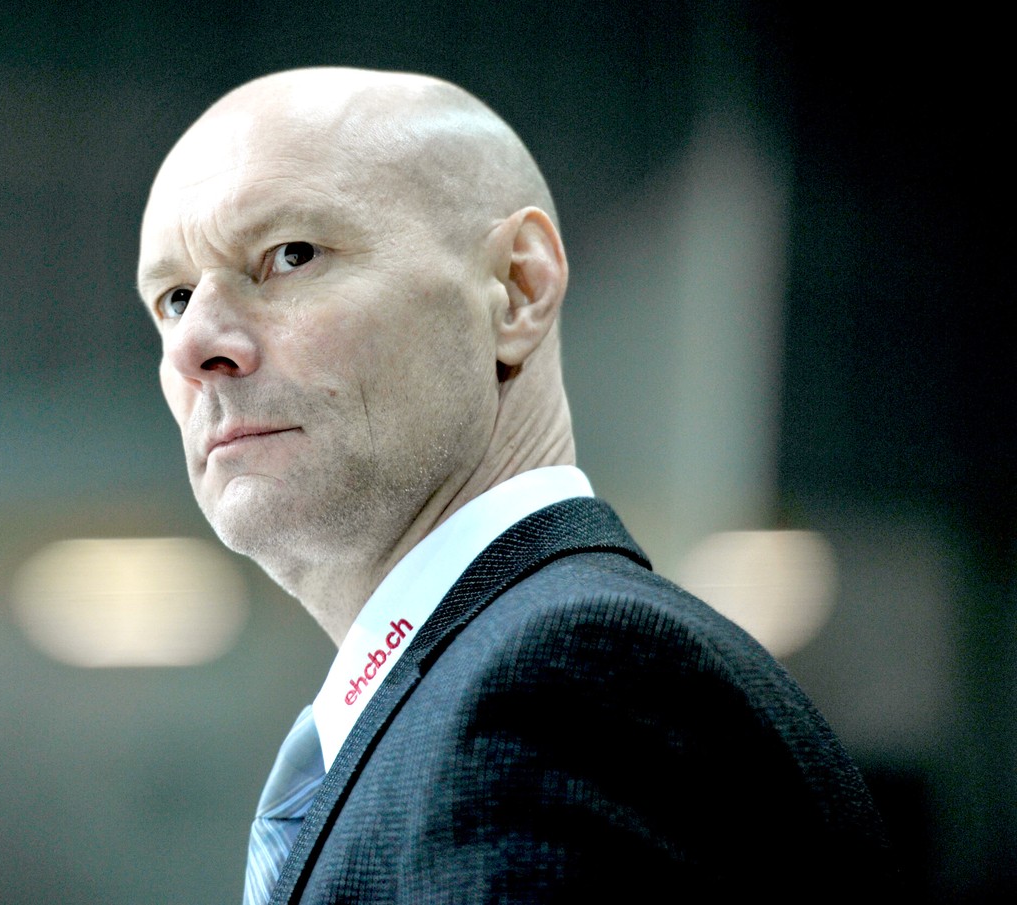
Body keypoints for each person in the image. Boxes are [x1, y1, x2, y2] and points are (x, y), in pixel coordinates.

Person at [135, 67, 889, 903]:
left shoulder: (566, 674)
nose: (193, 343)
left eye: (290, 255)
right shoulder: (489, 684)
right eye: (172, 297)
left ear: (517, 289)